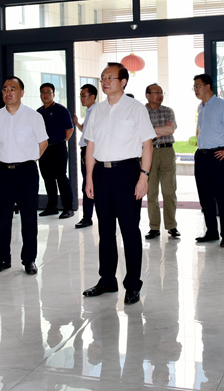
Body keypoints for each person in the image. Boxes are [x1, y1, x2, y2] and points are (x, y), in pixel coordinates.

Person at [83, 62, 155, 305]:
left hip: (127, 173)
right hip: (101, 174)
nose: (105, 81)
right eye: (103, 77)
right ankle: (107, 280)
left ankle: (133, 284)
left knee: (129, 230)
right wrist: (89, 178)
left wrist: (143, 176)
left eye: (110, 77)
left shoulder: (136, 109)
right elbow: (90, 146)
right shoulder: (97, 111)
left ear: (123, 82)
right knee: (105, 231)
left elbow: (147, 144)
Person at [0, 76, 48, 275]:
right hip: (3, 171)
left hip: (26, 172)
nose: (8, 92)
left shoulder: (33, 116)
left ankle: (29, 259)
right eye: (5, 89)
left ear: (22, 93)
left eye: (12, 89)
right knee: (3, 217)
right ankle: (3, 259)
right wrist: (8, 158)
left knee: (28, 217)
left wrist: (28, 159)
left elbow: (43, 143)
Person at [193, 74, 224, 248]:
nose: (195, 89)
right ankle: (211, 231)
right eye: (194, 87)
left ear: (208, 86)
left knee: (221, 195)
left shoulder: (222, 105)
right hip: (201, 155)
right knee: (205, 196)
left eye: (198, 86)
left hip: (217, 155)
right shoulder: (201, 107)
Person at [143, 83, 179, 240]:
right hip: (148, 152)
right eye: (156, 92)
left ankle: (172, 226)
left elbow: (170, 130)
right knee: (151, 193)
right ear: (147, 95)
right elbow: (139, 133)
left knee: (169, 192)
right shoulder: (141, 112)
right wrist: (161, 130)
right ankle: (154, 227)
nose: (160, 95)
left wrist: (150, 132)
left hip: (167, 152)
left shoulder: (168, 111)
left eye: (161, 92)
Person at [37, 83, 75, 219]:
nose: (45, 94)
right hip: (43, 149)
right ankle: (51, 207)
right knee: (48, 178)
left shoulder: (61, 110)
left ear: (53, 94)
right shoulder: (38, 112)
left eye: (48, 92)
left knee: (61, 178)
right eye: (43, 92)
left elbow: (70, 129)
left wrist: (61, 141)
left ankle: (68, 208)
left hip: (58, 147)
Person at [73, 83, 97, 229]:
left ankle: (87, 217)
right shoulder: (89, 111)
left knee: (90, 183)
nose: (82, 98)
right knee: (88, 183)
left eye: (84, 96)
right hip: (85, 150)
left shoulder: (96, 111)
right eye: (81, 96)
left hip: (91, 152)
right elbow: (87, 132)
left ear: (93, 96)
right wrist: (77, 124)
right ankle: (87, 217)